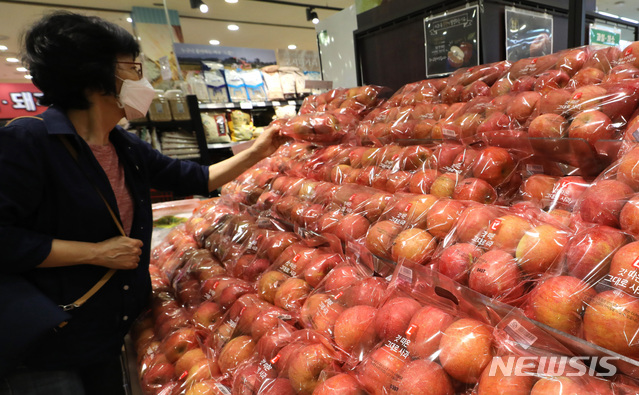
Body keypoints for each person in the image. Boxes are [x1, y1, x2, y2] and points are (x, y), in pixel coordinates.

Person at [0, 11, 282, 395]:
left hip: (104, 328)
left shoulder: (124, 145)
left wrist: (262, 148)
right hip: (48, 338)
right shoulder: (30, 142)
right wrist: (95, 252)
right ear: (95, 77)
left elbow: (197, 178)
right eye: (133, 68)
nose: (142, 81)